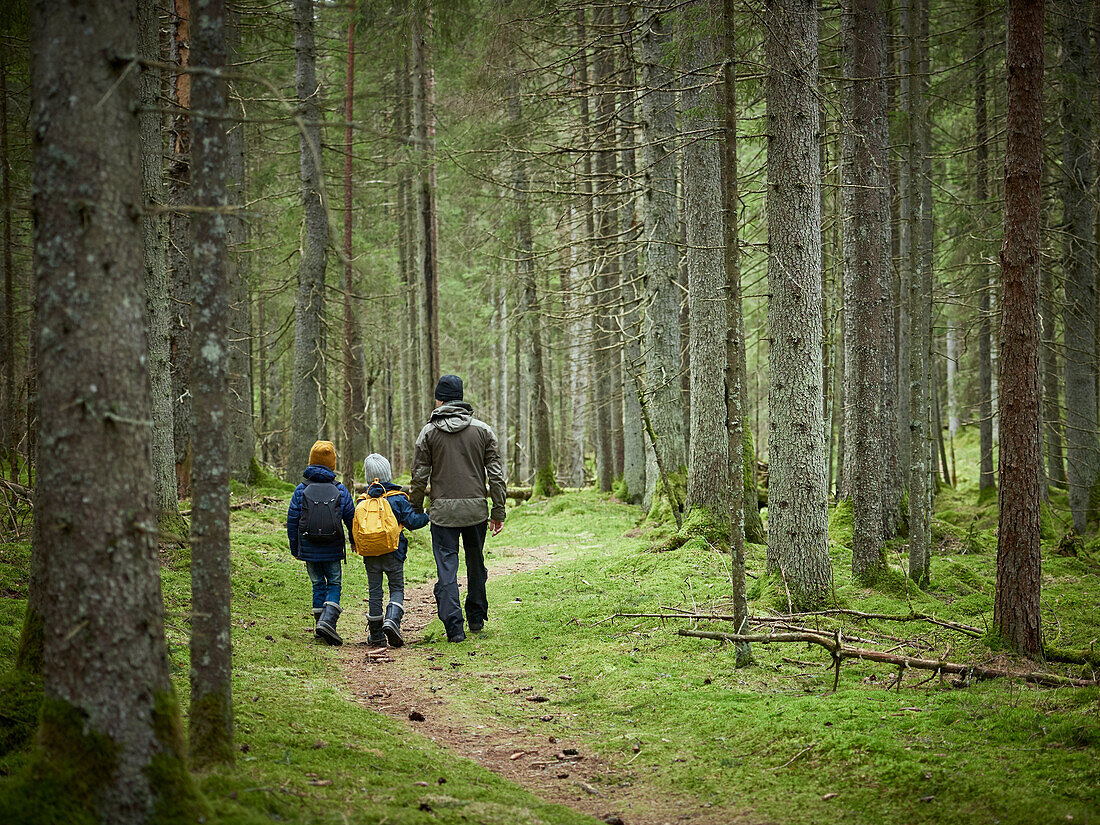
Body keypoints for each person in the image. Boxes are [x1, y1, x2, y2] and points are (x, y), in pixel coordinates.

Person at [410, 375, 507, 643]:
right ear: (461, 398)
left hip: (442, 514)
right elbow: (496, 476)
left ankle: (454, 628)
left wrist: (416, 507)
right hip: (476, 511)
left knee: (447, 569)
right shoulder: (483, 430)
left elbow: (419, 475)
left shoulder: (429, 432)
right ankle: (476, 618)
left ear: (440, 399)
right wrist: (498, 511)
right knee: (475, 562)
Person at [287, 439, 356, 646]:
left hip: (308, 548)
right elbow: (351, 518)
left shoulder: (301, 489)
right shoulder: (340, 489)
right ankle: (328, 622)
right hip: (333, 548)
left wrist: (295, 548)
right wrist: (354, 541)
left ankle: (320, 627)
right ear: (332, 464)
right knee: (334, 583)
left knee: (318, 584)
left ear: (311, 462)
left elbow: (292, 520)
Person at [356, 453, 430, 647]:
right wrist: (428, 515)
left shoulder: (362, 501)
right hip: (394, 552)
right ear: (388, 474)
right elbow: (413, 522)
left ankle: (376, 635)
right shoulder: (397, 499)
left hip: (370, 554)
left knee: (374, 592)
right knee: (396, 588)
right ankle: (392, 620)